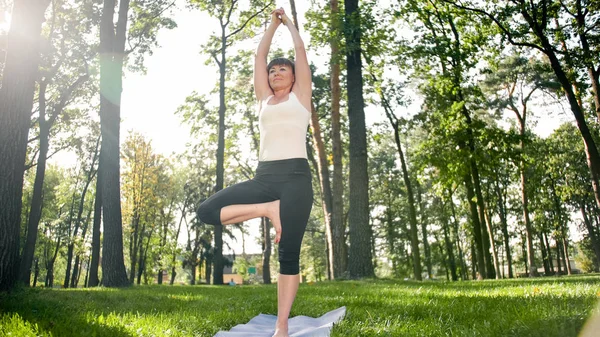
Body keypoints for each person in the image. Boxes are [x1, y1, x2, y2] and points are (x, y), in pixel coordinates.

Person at [196, 7, 313, 337]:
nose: (276, 72)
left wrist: (287, 23)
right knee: (207, 211)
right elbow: (259, 54)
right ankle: (266, 209)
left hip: (295, 179)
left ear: (293, 77)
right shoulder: (263, 100)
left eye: (282, 69)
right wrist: (270, 27)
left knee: (287, 254)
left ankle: (281, 326)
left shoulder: (301, 98)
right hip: (264, 178)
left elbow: (300, 52)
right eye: (273, 70)